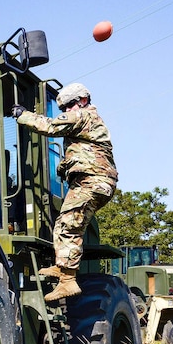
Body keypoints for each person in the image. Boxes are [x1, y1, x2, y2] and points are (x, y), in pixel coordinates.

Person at [10, 83, 117, 302]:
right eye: (64, 108)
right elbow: (82, 153)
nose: (67, 111)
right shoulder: (87, 124)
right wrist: (63, 167)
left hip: (92, 181)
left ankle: (68, 280)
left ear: (83, 100)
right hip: (91, 180)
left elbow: (49, 126)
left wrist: (23, 115)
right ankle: (63, 267)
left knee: (69, 225)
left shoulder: (83, 116)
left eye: (69, 105)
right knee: (63, 223)